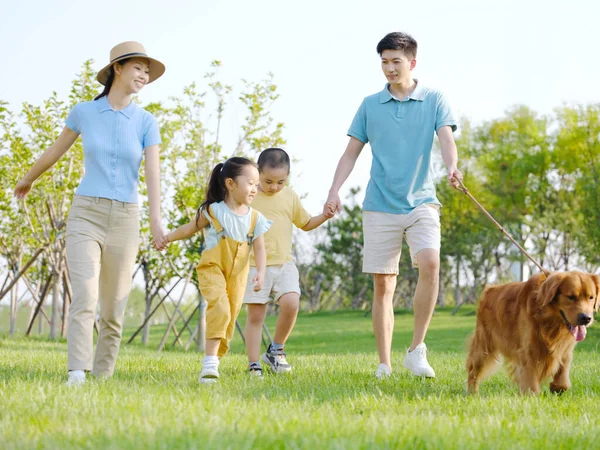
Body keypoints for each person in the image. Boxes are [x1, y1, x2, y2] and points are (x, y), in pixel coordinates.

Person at [14, 41, 169, 385]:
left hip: (127, 218)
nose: (144, 75)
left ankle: (102, 377)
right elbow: (55, 149)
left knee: (114, 308)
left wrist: (156, 221)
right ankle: (76, 373)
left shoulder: (146, 122)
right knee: (85, 295)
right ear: (117, 68)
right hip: (86, 213)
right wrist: (27, 179)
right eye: (138, 68)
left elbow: (153, 174)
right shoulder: (84, 112)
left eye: (147, 71)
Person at [325, 32, 462, 379]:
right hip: (380, 204)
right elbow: (350, 152)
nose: (389, 67)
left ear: (411, 63)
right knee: (383, 285)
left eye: (395, 61)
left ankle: (417, 350)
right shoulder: (370, 105)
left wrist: (452, 167)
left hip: (422, 201)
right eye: (384, 61)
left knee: (430, 264)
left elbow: (446, 138)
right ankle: (384, 363)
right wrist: (334, 190)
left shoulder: (434, 99)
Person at [166, 157, 271, 383]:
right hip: (212, 268)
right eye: (250, 183)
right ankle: (209, 362)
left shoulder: (255, 218)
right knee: (220, 308)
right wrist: (167, 238)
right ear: (230, 184)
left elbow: (260, 248)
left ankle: (215, 362)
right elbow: (189, 228)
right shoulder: (214, 211)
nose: (255, 188)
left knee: (230, 319)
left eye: (256, 184)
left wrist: (261, 273)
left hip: (239, 276)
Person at [242, 148, 335, 377]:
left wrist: (324, 215)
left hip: (284, 263)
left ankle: (276, 349)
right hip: (255, 266)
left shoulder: (290, 196)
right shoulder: (249, 197)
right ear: (257, 173)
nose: (274, 187)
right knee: (255, 316)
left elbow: (305, 223)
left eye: (280, 181)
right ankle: (253, 364)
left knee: (292, 302)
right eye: (268, 181)